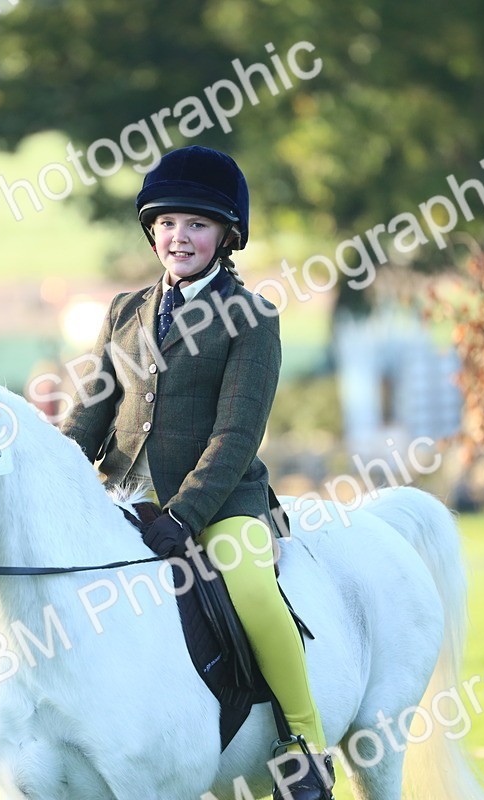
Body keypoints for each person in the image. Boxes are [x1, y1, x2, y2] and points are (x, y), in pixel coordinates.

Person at [60, 146, 334, 800]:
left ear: (226, 236)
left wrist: (184, 515)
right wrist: (58, 478)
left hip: (220, 506)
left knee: (252, 590)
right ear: (152, 229)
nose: (179, 236)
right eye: (168, 223)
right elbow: (89, 415)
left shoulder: (252, 318)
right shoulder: (124, 313)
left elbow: (237, 434)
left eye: (197, 225)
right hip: (125, 498)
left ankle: (303, 743)